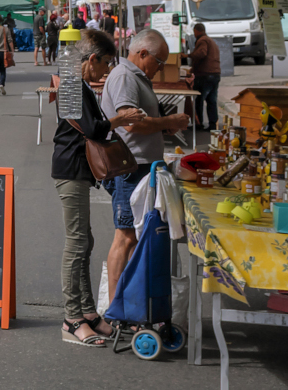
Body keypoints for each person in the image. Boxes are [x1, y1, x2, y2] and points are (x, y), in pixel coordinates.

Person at [102, 28, 190, 307]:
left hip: (141, 166)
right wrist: (169, 122)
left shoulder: (134, 76)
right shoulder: (126, 76)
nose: (161, 69)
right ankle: (117, 308)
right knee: (126, 235)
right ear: (142, 54)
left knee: (134, 237)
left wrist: (163, 128)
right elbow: (130, 123)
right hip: (131, 168)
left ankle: (130, 302)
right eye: (159, 62)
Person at [52, 29, 119, 346]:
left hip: (76, 169)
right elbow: (93, 128)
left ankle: (88, 312)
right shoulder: (71, 86)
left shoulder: (77, 84)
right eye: (106, 63)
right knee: (77, 243)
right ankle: (71, 318)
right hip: (71, 169)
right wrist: (119, 121)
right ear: (92, 59)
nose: (106, 70)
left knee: (85, 241)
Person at [185, 22, 222, 131]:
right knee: (211, 100)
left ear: (196, 31)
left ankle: (199, 123)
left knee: (199, 100)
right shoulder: (211, 41)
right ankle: (212, 124)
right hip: (215, 74)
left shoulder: (202, 40)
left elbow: (201, 53)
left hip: (205, 75)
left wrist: (188, 55)